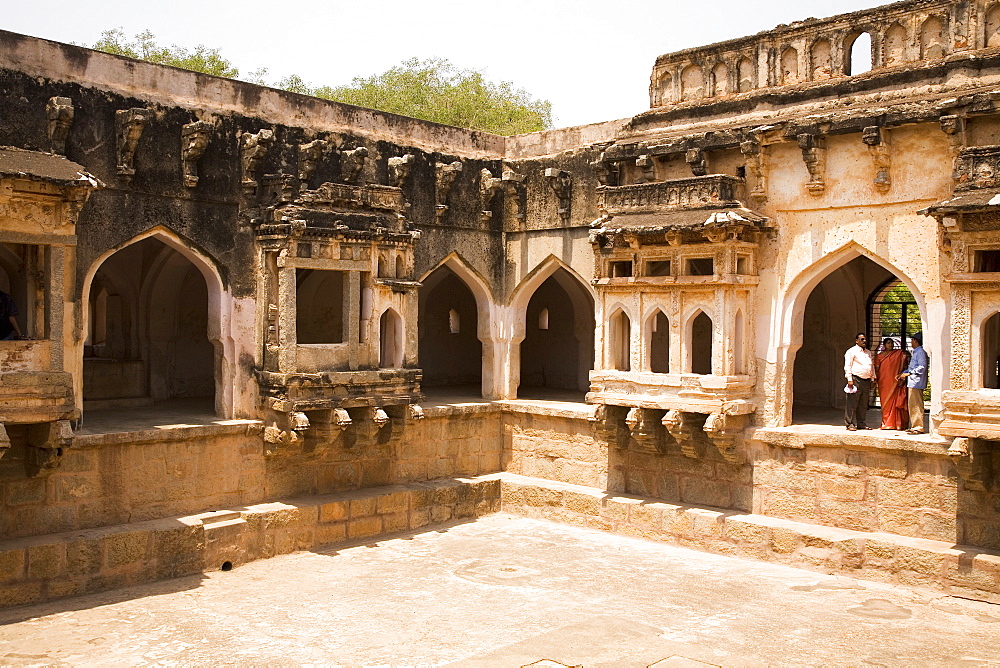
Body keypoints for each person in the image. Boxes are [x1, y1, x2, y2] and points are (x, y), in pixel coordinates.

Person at [874, 337, 910, 430]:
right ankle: (886, 422)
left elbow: (905, 359)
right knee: (885, 403)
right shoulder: (879, 356)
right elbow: (877, 370)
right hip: (884, 382)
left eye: (892, 343)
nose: (891, 345)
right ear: (884, 345)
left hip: (895, 382)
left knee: (895, 403)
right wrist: (874, 380)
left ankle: (896, 423)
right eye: (888, 343)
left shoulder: (898, 354)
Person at [844, 332, 875, 431]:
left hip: (866, 380)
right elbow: (847, 365)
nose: (864, 341)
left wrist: (873, 378)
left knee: (863, 403)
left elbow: (871, 366)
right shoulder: (851, 351)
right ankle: (849, 423)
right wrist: (849, 379)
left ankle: (861, 423)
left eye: (865, 339)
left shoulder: (868, 352)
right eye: (862, 339)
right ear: (856, 341)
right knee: (852, 402)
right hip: (855, 379)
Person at [898, 332, 929, 434]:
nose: (911, 342)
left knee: (916, 405)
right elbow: (913, 367)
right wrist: (904, 373)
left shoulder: (920, 352)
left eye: (912, 340)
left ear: (916, 341)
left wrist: (909, 373)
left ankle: (918, 427)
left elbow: (922, 367)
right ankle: (914, 425)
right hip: (912, 382)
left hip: (916, 382)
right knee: (912, 405)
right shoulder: (916, 352)